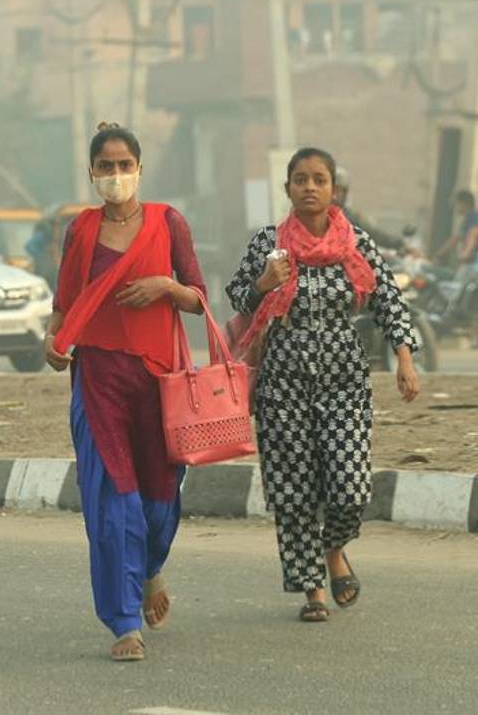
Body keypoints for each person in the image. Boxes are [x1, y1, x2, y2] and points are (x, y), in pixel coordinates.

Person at [226, 147, 421, 623]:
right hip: (282, 383)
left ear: (334, 190)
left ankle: (334, 550)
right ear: (288, 188)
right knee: (293, 491)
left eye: (319, 179)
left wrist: (404, 358)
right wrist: (264, 283)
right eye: (299, 179)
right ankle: (312, 589)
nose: (309, 187)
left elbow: (388, 300)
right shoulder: (269, 244)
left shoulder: (356, 244)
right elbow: (236, 296)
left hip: (344, 380)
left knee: (350, 485)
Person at [45, 122, 207, 662]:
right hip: (99, 378)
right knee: (115, 502)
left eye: (124, 164)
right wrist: (53, 338)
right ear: (92, 173)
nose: (115, 175)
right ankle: (124, 623)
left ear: (139, 167)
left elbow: (197, 297)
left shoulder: (169, 222)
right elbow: (65, 301)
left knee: (160, 503)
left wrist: (165, 286)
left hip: (158, 378)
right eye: (105, 166)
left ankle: (151, 568)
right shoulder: (81, 231)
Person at [331, 166, 408, 252]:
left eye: (338, 190)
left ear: (345, 193)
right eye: (333, 189)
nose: (335, 195)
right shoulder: (318, 214)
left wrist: (399, 244)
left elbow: (372, 233)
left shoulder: (349, 216)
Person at [433, 189, 478, 281]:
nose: (455, 207)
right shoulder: (466, 221)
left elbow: (473, 234)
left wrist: (466, 252)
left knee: (457, 287)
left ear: (464, 204)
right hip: (469, 262)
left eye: (457, 204)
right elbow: (454, 239)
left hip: (477, 262)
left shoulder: (476, 217)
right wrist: (438, 255)